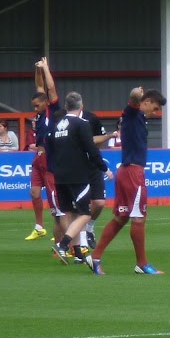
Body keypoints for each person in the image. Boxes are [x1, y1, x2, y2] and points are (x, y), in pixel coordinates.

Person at [88, 87, 167, 276]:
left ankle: (96, 257)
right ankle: (142, 263)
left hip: (126, 171)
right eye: (154, 108)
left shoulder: (137, 119)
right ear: (145, 102)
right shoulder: (133, 114)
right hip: (133, 172)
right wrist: (135, 94)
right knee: (139, 218)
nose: (154, 112)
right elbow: (132, 99)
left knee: (121, 218)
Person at [50, 91, 112, 264]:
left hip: (60, 175)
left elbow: (51, 148)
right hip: (77, 175)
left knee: (71, 212)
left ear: (65, 106)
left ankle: (78, 253)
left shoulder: (57, 125)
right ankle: (63, 244)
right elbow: (91, 149)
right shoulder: (81, 124)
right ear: (81, 107)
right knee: (85, 213)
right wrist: (104, 168)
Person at [25, 58, 62, 241]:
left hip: (50, 158)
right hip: (38, 157)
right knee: (34, 192)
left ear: (46, 103)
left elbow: (50, 87)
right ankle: (39, 226)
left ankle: (60, 231)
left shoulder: (52, 111)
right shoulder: (39, 113)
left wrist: (46, 68)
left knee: (53, 198)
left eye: (37, 105)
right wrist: (38, 69)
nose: (35, 108)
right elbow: (39, 85)